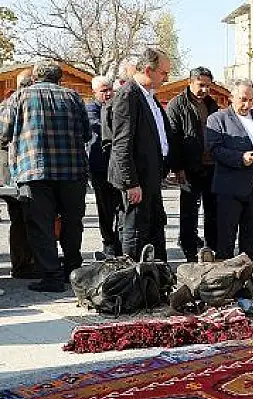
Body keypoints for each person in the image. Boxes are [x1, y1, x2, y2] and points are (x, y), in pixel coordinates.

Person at [0, 61, 91, 292]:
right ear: (59, 78)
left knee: (40, 224)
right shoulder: (74, 97)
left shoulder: (19, 98)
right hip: (72, 170)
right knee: (72, 222)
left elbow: (3, 132)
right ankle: (73, 269)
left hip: (33, 170)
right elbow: (87, 133)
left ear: (36, 77)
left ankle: (50, 275)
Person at [109, 48, 172, 261]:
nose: (167, 78)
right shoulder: (128, 96)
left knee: (155, 226)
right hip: (137, 179)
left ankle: (156, 279)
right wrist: (130, 182)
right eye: (163, 73)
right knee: (135, 230)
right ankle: (133, 280)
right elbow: (122, 144)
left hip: (151, 175)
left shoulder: (149, 97)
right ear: (148, 70)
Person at [206, 78, 253, 260]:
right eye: (242, 99)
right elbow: (214, 149)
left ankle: (248, 279)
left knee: (252, 239)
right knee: (226, 240)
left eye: (251, 100)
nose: (247, 104)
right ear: (231, 97)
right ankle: (225, 282)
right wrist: (241, 158)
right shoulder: (217, 119)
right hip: (230, 189)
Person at [167, 67, 220, 262]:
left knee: (213, 210)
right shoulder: (176, 105)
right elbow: (173, 138)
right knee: (189, 210)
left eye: (208, 86)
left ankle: (212, 247)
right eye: (201, 85)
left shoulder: (211, 104)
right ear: (190, 82)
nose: (205, 90)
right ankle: (189, 249)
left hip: (212, 165)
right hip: (189, 167)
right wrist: (177, 167)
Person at [0, 69, 38, 279]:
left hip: (12, 170)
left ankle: (23, 262)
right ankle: (22, 264)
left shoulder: (8, 105)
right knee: (23, 218)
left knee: (21, 219)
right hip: (15, 170)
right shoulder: (16, 105)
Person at [86, 76, 122, 257]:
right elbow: (98, 127)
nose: (108, 94)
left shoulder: (118, 107)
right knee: (105, 208)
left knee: (121, 206)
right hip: (100, 167)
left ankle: (120, 241)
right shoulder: (91, 110)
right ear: (94, 92)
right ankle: (108, 242)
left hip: (119, 165)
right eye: (103, 90)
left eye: (110, 90)